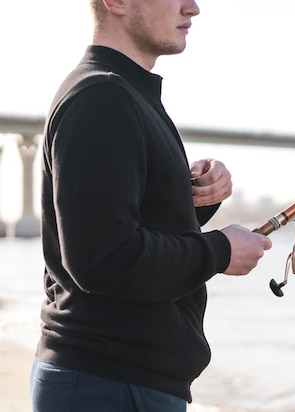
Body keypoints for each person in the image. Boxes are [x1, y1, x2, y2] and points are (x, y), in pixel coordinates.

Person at [30, 0, 272, 410]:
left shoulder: (124, 93)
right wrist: (220, 250)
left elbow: (124, 228)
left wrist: (194, 196)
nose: (193, 8)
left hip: (118, 381)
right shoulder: (100, 97)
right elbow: (103, 259)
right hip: (106, 383)